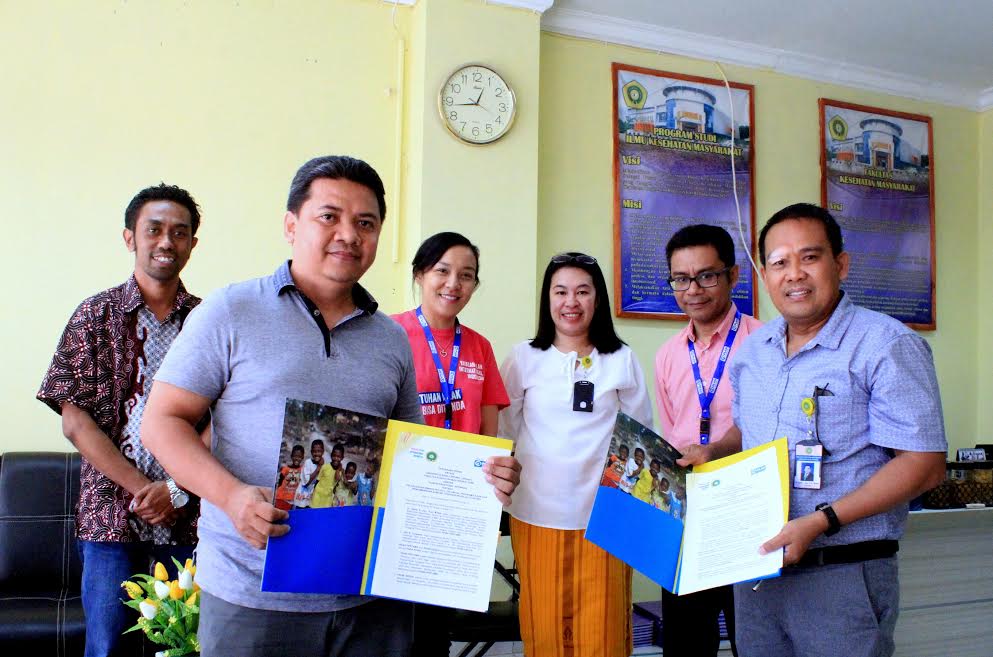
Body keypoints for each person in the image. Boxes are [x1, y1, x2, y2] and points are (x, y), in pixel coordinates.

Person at [140, 155, 521, 657]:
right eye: (329, 216)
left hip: (369, 598)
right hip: (253, 596)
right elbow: (161, 423)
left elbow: (412, 455)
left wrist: (479, 481)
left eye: (366, 223)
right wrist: (232, 497)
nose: (349, 234)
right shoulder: (231, 311)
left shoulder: (390, 339)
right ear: (291, 224)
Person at [679, 203, 947, 657]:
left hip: (843, 575)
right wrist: (716, 452)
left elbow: (924, 465)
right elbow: (749, 429)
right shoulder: (753, 353)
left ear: (840, 263)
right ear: (764, 276)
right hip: (758, 572)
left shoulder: (886, 345)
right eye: (780, 262)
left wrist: (822, 521)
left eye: (809, 257)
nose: (794, 274)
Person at [36, 183, 204, 657]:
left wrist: (175, 488)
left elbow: (225, 416)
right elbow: (75, 421)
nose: (166, 242)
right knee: (107, 646)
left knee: (189, 646)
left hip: (189, 516)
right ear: (130, 237)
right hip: (110, 518)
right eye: (154, 230)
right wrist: (141, 488)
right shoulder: (94, 315)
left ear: (192, 243)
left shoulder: (209, 321)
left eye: (179, 232)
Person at [500, 252, 654, 657]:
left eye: (583, 291)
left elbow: (642, 439)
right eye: (561, 291)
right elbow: (505, 433)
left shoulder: (621, 359)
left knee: (602, 635)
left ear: (597, 299)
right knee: (545, 631)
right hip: (536, 513)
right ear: (547, 299)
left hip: (605, 518)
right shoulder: (523, 358)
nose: (571, 302)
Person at [391, 231, 510, 656]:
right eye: (442, 271)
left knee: (434, 627)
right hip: (401, 499)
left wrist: (485, 505)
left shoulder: (479, 347)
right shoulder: (389, 334)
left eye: (467, 275)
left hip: (456, 502)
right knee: (392, 622)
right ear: (421, 274)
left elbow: (489, 436)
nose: (453, 284)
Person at [653, 224, 762, 657]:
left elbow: (766, 426)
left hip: (748, 510)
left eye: (706, 275)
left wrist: (715, 451)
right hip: (686, 514)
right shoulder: (667, 354)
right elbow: (673, 431)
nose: (692, 289)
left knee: (753, 639)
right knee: (685, 642)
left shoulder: (766, 342)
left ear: (733, 275)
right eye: (681, 278)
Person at [293, 439, 325, 509]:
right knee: (300, 514)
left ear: (323, 452)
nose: (316, 454)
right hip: (302, 497)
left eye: (319, 451)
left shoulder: (323, 465)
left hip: (311, 498)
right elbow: (306, 482)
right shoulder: (308, 463)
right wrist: (318, 468)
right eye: (314, 451)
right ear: (311, 452)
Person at [275, 445, 305, 511]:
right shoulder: (285, 469)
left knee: (287, 518)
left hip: (292, 500)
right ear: (291, 456)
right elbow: (279, 483)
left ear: (302, 457)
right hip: (281, 499)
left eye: (299, 457)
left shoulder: (302, 470)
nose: (297, 458)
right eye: (295, 456)